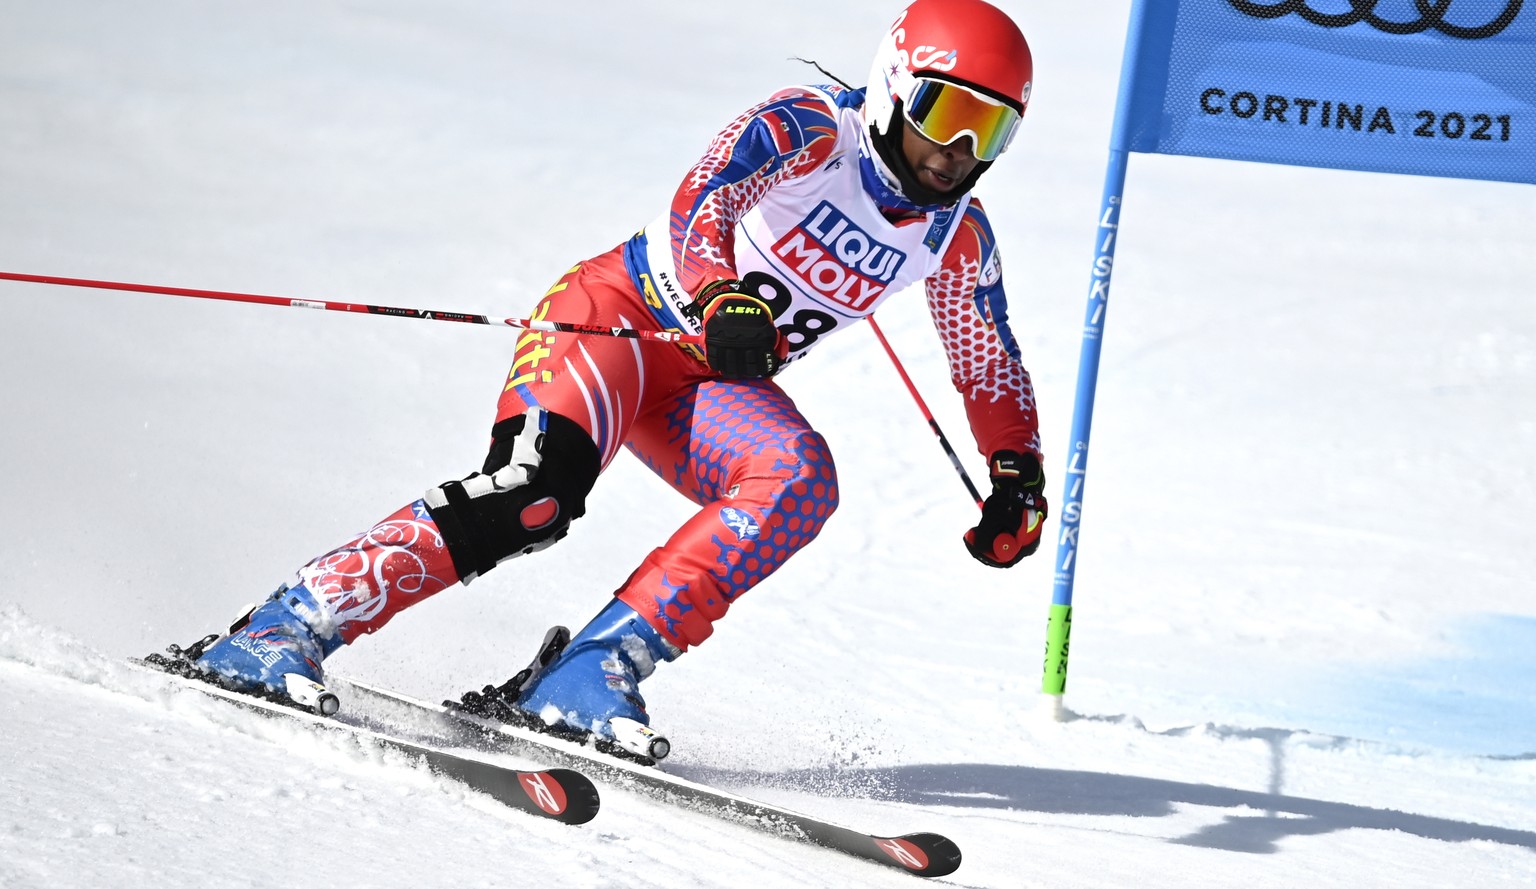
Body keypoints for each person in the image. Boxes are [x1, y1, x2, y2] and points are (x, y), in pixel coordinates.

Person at [188, 0, 1047, 756]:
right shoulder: (812, 127)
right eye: (946, 112)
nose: (958, 150)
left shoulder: (956, 235)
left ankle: (585, 676)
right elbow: (703, 199)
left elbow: (987, 358)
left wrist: (1016, 470)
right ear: (896, 84)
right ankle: (285, 625)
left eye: (991, 129)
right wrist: (719, 292)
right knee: (534, 495)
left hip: (703, 383)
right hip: (620, 319)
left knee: (798, 480)